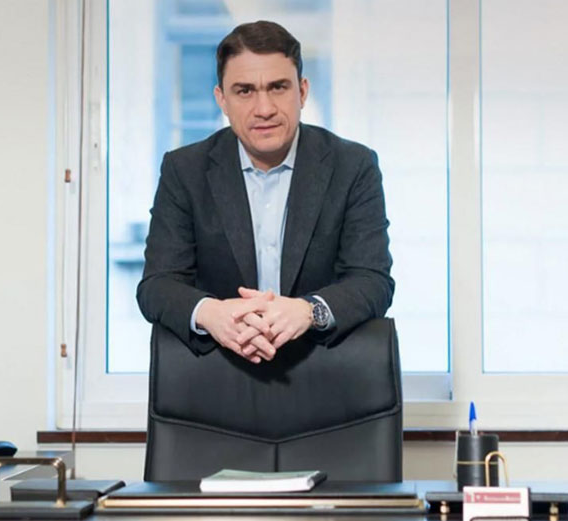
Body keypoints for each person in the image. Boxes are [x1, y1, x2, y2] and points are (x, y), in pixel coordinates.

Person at [136, 20, 394, 362]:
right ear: (221, 99)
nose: (265, 109)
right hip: (217, 369)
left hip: (323, 369)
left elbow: (373, 280)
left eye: (278, 87)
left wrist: (308, 311)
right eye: (245, 91)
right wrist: (212, 313)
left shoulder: (353, 166)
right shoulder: (184, 170)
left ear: (302, 92)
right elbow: (157, 285)